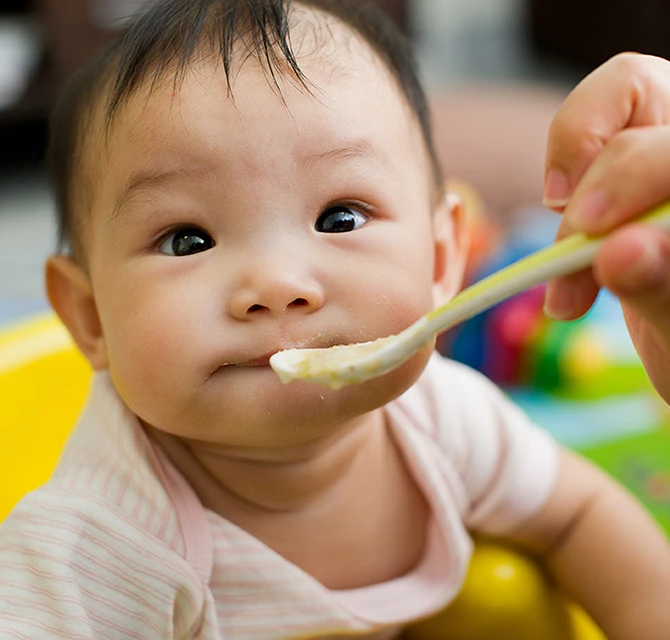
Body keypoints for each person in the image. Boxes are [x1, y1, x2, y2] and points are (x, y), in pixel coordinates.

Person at [0, 0, 668, 637]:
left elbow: (579, 515)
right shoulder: (101, 547)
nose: (277, 285)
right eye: (188, 240)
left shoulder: (442, 420)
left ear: (442, 260)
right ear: (89, 317)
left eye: (339, 217)